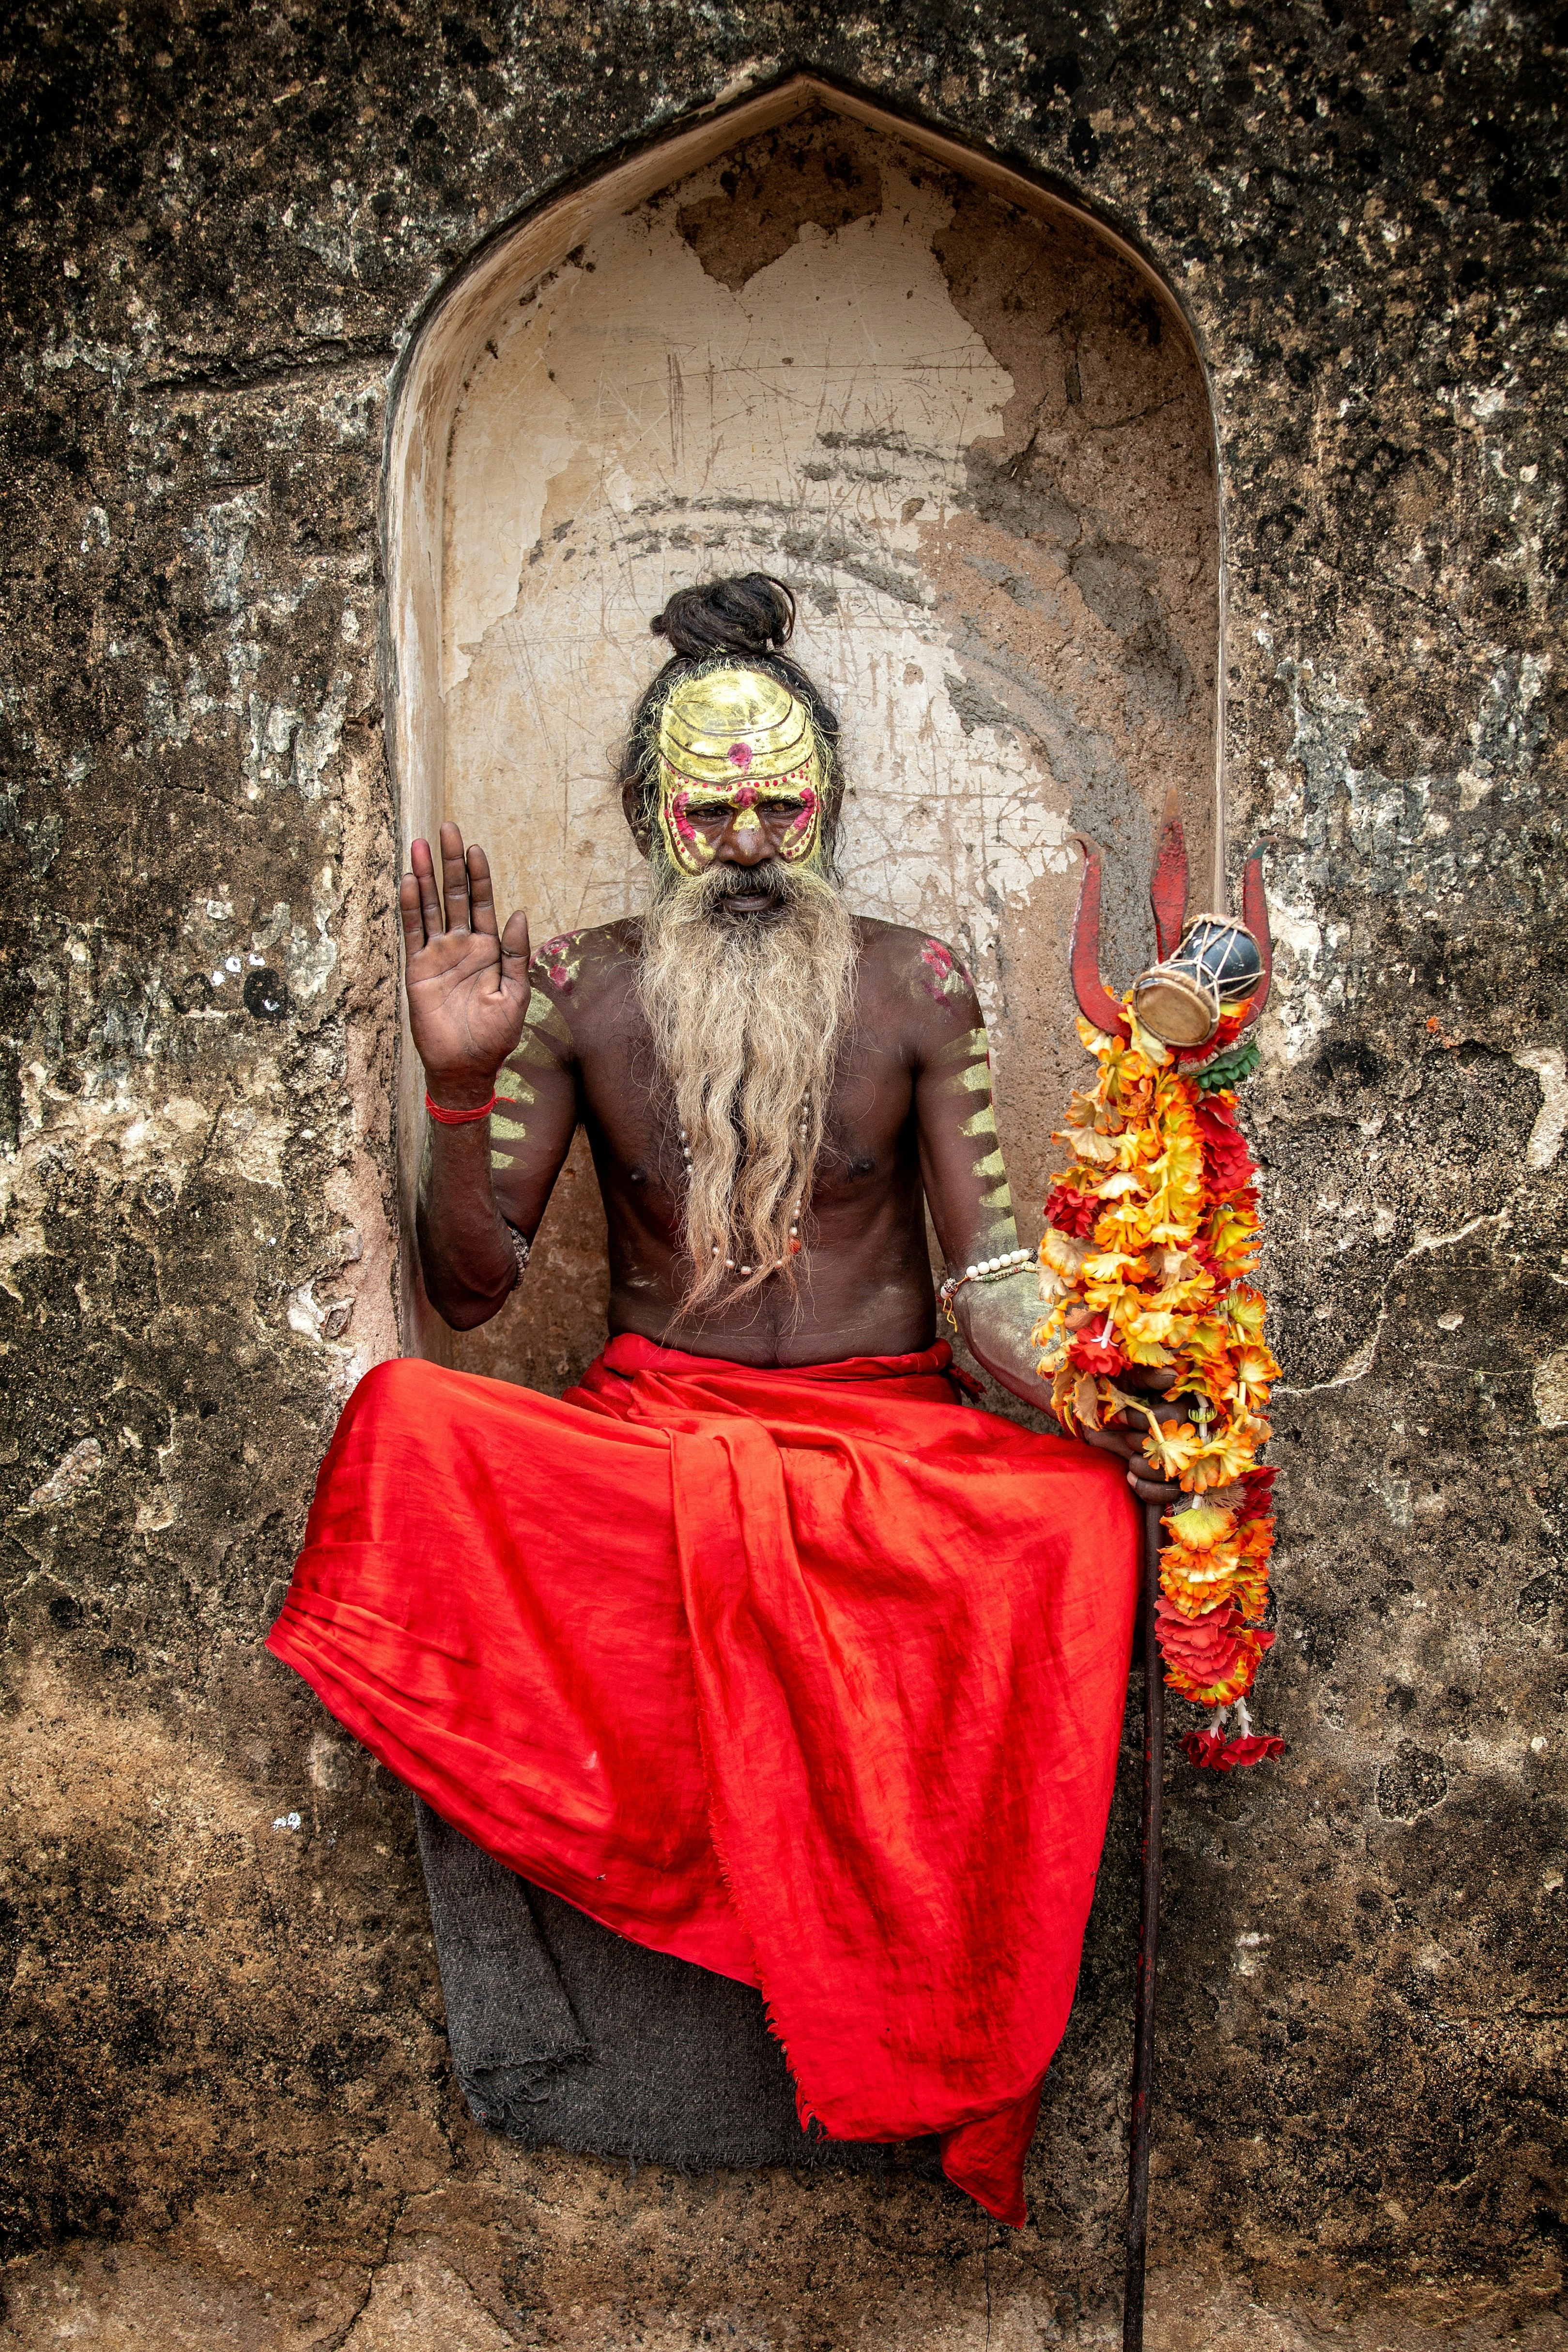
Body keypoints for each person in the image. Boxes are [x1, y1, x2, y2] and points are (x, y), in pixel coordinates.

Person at [266, 573, 1177, 2228]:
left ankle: (924, 2018)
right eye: (711, 811)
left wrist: (1112, 1390)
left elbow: (988, 1290)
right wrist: (459, 1087)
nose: (750, 844)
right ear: (650, 815)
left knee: (1079, 1519)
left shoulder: (918, 984)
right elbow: (471, 1289)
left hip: (894, 1436)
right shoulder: (580, 994)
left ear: (828, 803)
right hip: (654, 1439)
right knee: (406, 1422)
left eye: (781, 807)